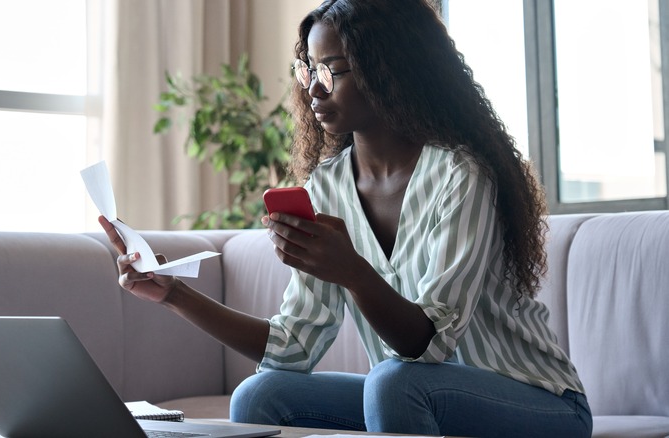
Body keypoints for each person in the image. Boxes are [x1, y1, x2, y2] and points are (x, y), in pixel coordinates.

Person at [99, 0, 592, 436]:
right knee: (260, 395)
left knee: (394, 382)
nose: (313, 89)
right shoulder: (328, 187)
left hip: (538, 403)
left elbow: (428, 347)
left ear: (388, 70)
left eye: (330, 71)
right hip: (408, 391)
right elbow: (294, 347)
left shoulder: (460, 175)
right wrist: (174, 294)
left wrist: (352, 269)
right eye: (307, 69)